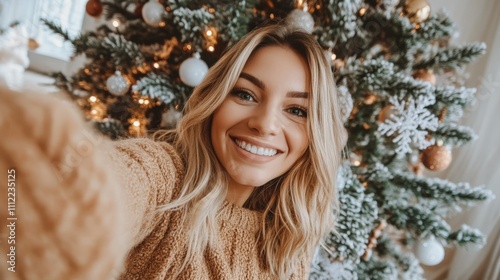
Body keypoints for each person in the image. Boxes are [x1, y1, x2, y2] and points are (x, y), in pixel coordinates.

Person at [0, 21, 346, 280]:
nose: (266, 124)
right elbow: (109, 184)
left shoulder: (287, 243)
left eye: (297, 111)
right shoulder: (165, 178)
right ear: (215, 100)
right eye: (245, 94)